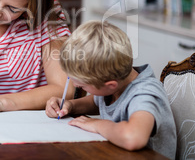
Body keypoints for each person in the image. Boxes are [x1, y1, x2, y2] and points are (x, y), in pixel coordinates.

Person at [45, 20, 176, 159]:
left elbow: (133, 138)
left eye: (82, 86)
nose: (76, 86)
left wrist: (97, 124)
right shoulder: (115, 83)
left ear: (110, 85)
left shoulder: (145, 93)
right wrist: (71, 106)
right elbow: (97, 102)